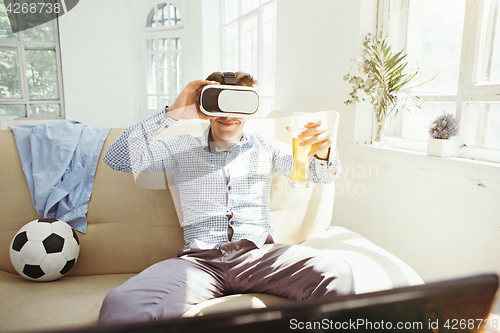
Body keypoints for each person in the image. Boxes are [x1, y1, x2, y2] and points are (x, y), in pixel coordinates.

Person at [98, 71, 354, 325]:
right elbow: (117, 158)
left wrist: (323, 151)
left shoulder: (267, 147)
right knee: (121, 303)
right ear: (205, 106)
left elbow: (321, 174)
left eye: (239, 104)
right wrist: (173, 113)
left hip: (260, 256)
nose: (229, 115)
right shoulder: (179, 147)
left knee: (336, 273)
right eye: (220, 103)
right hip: (200, 263)